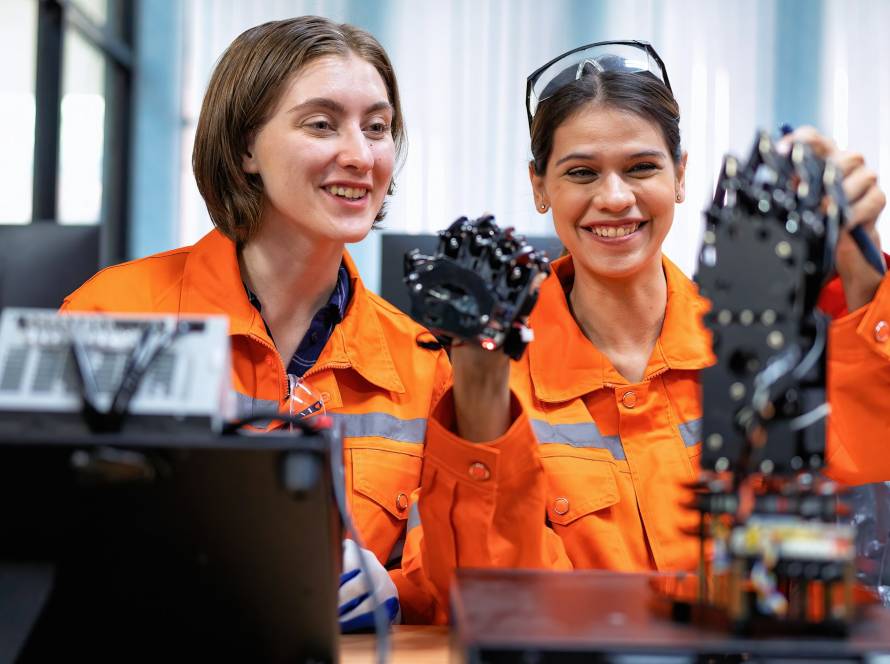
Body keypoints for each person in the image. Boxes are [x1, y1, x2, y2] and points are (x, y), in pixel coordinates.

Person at [399, 40, 890, 622]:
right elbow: (479, 590)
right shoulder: (486, 379)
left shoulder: (764, 351)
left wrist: (863, 271)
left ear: (681, 175)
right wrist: (480, 395)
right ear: (539, 187)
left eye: (642, 168)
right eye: (582, 172)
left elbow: (864, 452)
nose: (614, 198)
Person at [61, 16, 451, 629]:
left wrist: (395, 589)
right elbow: (44, 538)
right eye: (322, 124)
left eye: (377, 128)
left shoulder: (423, 363)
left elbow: (452, 577)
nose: (360, 155)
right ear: (245, 149)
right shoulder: (114, 313)